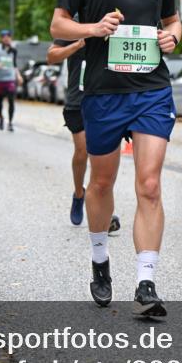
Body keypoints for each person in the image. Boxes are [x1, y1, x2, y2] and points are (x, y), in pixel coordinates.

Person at [50, 0, 182, 317]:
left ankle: (146, 281)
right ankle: (101, 261)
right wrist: (94, 27)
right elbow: (58, 23)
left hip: (151, 90)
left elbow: (173, 20)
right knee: (102, 182)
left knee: (149, 184)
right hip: (104, 92)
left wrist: (172, 37)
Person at [48, 37, 122, 233]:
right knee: (82, 151)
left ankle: (102, 213)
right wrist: (77, 45)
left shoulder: (109, 21)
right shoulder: (73, 25)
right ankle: (79, 194)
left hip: (103, 101)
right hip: (77, 102)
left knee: (103, 159)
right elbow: (52, 56)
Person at [0, 30, 21, 131]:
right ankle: (1, 118)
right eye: (4, 37)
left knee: (11, 101)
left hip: (10, 79)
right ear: (1, 38)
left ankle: (10, 123)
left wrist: (18, 76)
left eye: (8, 37)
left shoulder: (14, 50)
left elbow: (14, 65)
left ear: (11, 38)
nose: (6, 38)